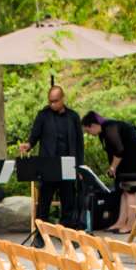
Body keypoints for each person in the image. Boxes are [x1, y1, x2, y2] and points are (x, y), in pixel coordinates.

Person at [23, 83, 85, 227]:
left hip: (68, 164)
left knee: (69, 201)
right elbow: (34, 136)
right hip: (48, 164)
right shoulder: (43, 115)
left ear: (63, 99)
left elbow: (79, 144)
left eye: (55, 101)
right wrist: (28, 145)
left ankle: (67, 232)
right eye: (50, 101)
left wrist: (80, 166)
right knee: (44, 201)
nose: (52, 104)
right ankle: (40, 232)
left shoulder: (73, 116)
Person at [83, 109, 136, 233]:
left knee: (130, 190)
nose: (89, 134)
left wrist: (113, 167)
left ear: (93, 126)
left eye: (88, 131)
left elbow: (119, 151)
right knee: (123, 191)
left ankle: (130, 225)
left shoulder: (110, 127)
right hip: (127, 161)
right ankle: (120, 222)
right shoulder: (103, 132)